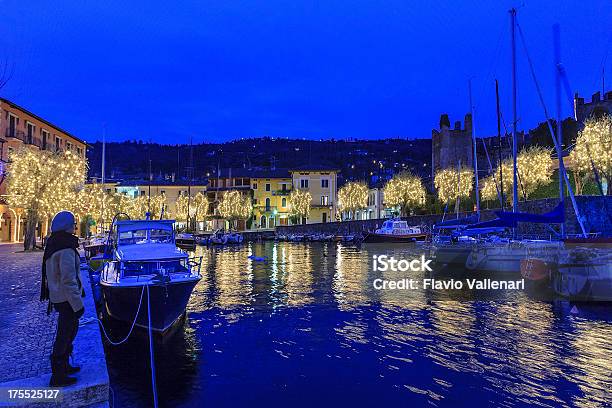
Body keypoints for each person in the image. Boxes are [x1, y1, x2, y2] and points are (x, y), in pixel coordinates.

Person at [41, 211, 84, 387]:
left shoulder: (54, 244)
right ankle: (58, 375)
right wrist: (78, 304)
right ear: (66, 226)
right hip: (66, 299)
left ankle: (64, 366)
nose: (75, 226)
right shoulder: (66, 248)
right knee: (66, 333)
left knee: (66, 332)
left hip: (58, 297)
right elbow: (68, 280)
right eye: (73, 223)